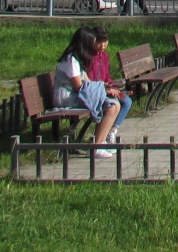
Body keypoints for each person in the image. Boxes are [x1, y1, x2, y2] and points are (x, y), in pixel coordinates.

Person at [51, 26, 127, 158]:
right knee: (110, 106)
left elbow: (87, 82)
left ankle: (101, 143)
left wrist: (105, 89)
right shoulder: (71, 60)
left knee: (115, 105)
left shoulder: (79, 59)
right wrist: (100, 90)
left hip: (75, 95)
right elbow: (79, 87)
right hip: (66, 97)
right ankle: (96, 147)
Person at [85, 25, 134, 141]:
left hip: (106, 88)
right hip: (96, 91)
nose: (103, 46)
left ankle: (111, 130)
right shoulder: (89, 58)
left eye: (105, 42)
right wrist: (108, 89)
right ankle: (102, 136)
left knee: (127, 101)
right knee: (115, 103)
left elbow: (107, 76)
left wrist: (115, 86)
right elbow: (91, 81)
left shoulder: (104, 56)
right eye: (99, 42)